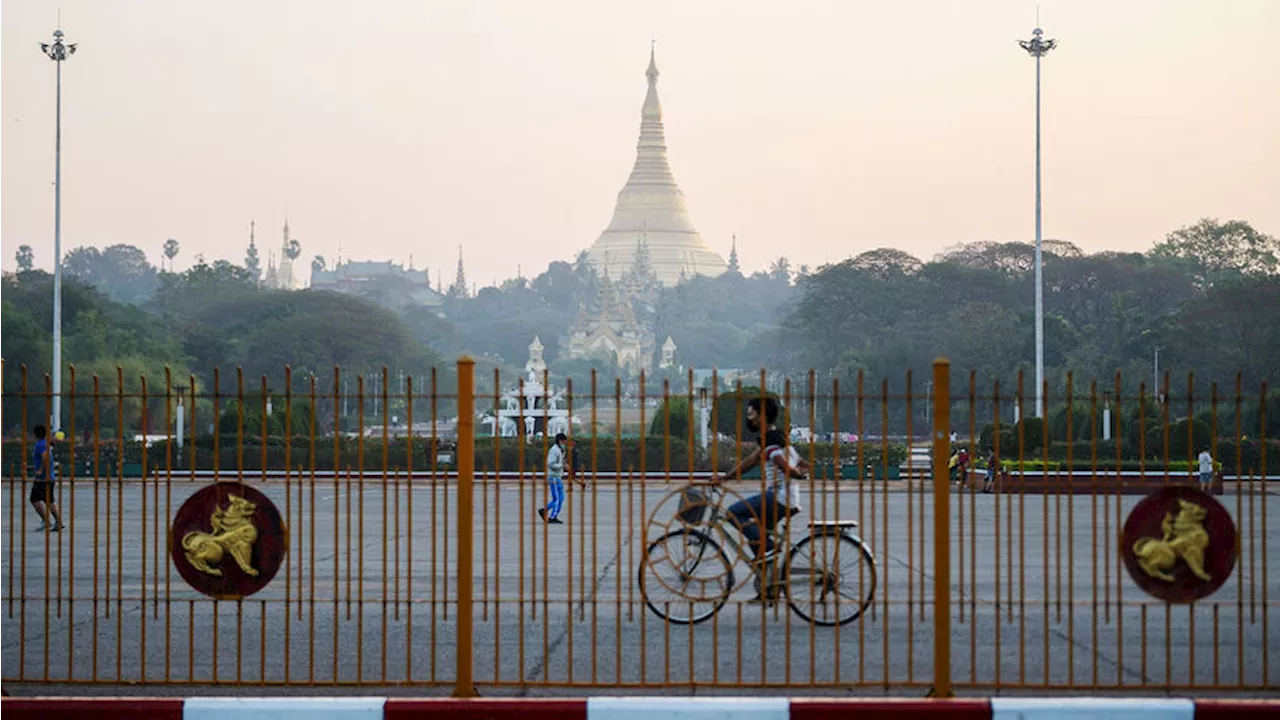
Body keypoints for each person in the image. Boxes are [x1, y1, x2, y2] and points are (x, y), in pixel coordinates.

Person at [711, 397, 808, 603]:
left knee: (733, 513)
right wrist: (726, 478)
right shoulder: (775, 438)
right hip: (786, 497)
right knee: (758, 535)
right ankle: (769, 587)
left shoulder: (771, 443)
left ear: (762, 416)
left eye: (751, 414)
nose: (749, 418)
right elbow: (750, 462)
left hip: (779, 498)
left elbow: (784, 465)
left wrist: (795, 473)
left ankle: (768, 549)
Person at [29, 425, 64, 532]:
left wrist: (40, 470)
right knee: (48, 500)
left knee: (35, 499)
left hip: (43, 478)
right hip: (48, 477)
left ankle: (47, 521)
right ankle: (56, 522)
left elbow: (45, 457)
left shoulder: (40, 445)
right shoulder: (44, 444)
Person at [539, 432, 567, 525]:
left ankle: (545, 510)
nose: (564, 443)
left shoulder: (560, 449)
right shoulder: (554, 450)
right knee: (557, 498)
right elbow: (550, 463)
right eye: (563, 441)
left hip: (558, 476)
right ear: (560, 440)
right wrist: (561, 466)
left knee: (561, 498)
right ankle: (553, 516)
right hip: (553, 476)